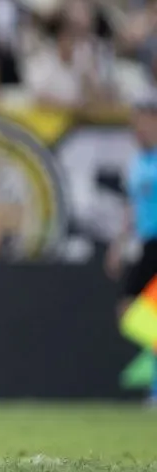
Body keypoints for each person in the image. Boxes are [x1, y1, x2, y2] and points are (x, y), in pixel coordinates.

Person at [105, 98, 157, 404]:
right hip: (146, 245)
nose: (136, 128)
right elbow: (131, 208)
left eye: (142, 121)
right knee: (130, 313)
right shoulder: (137, 162)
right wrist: (118, 243)